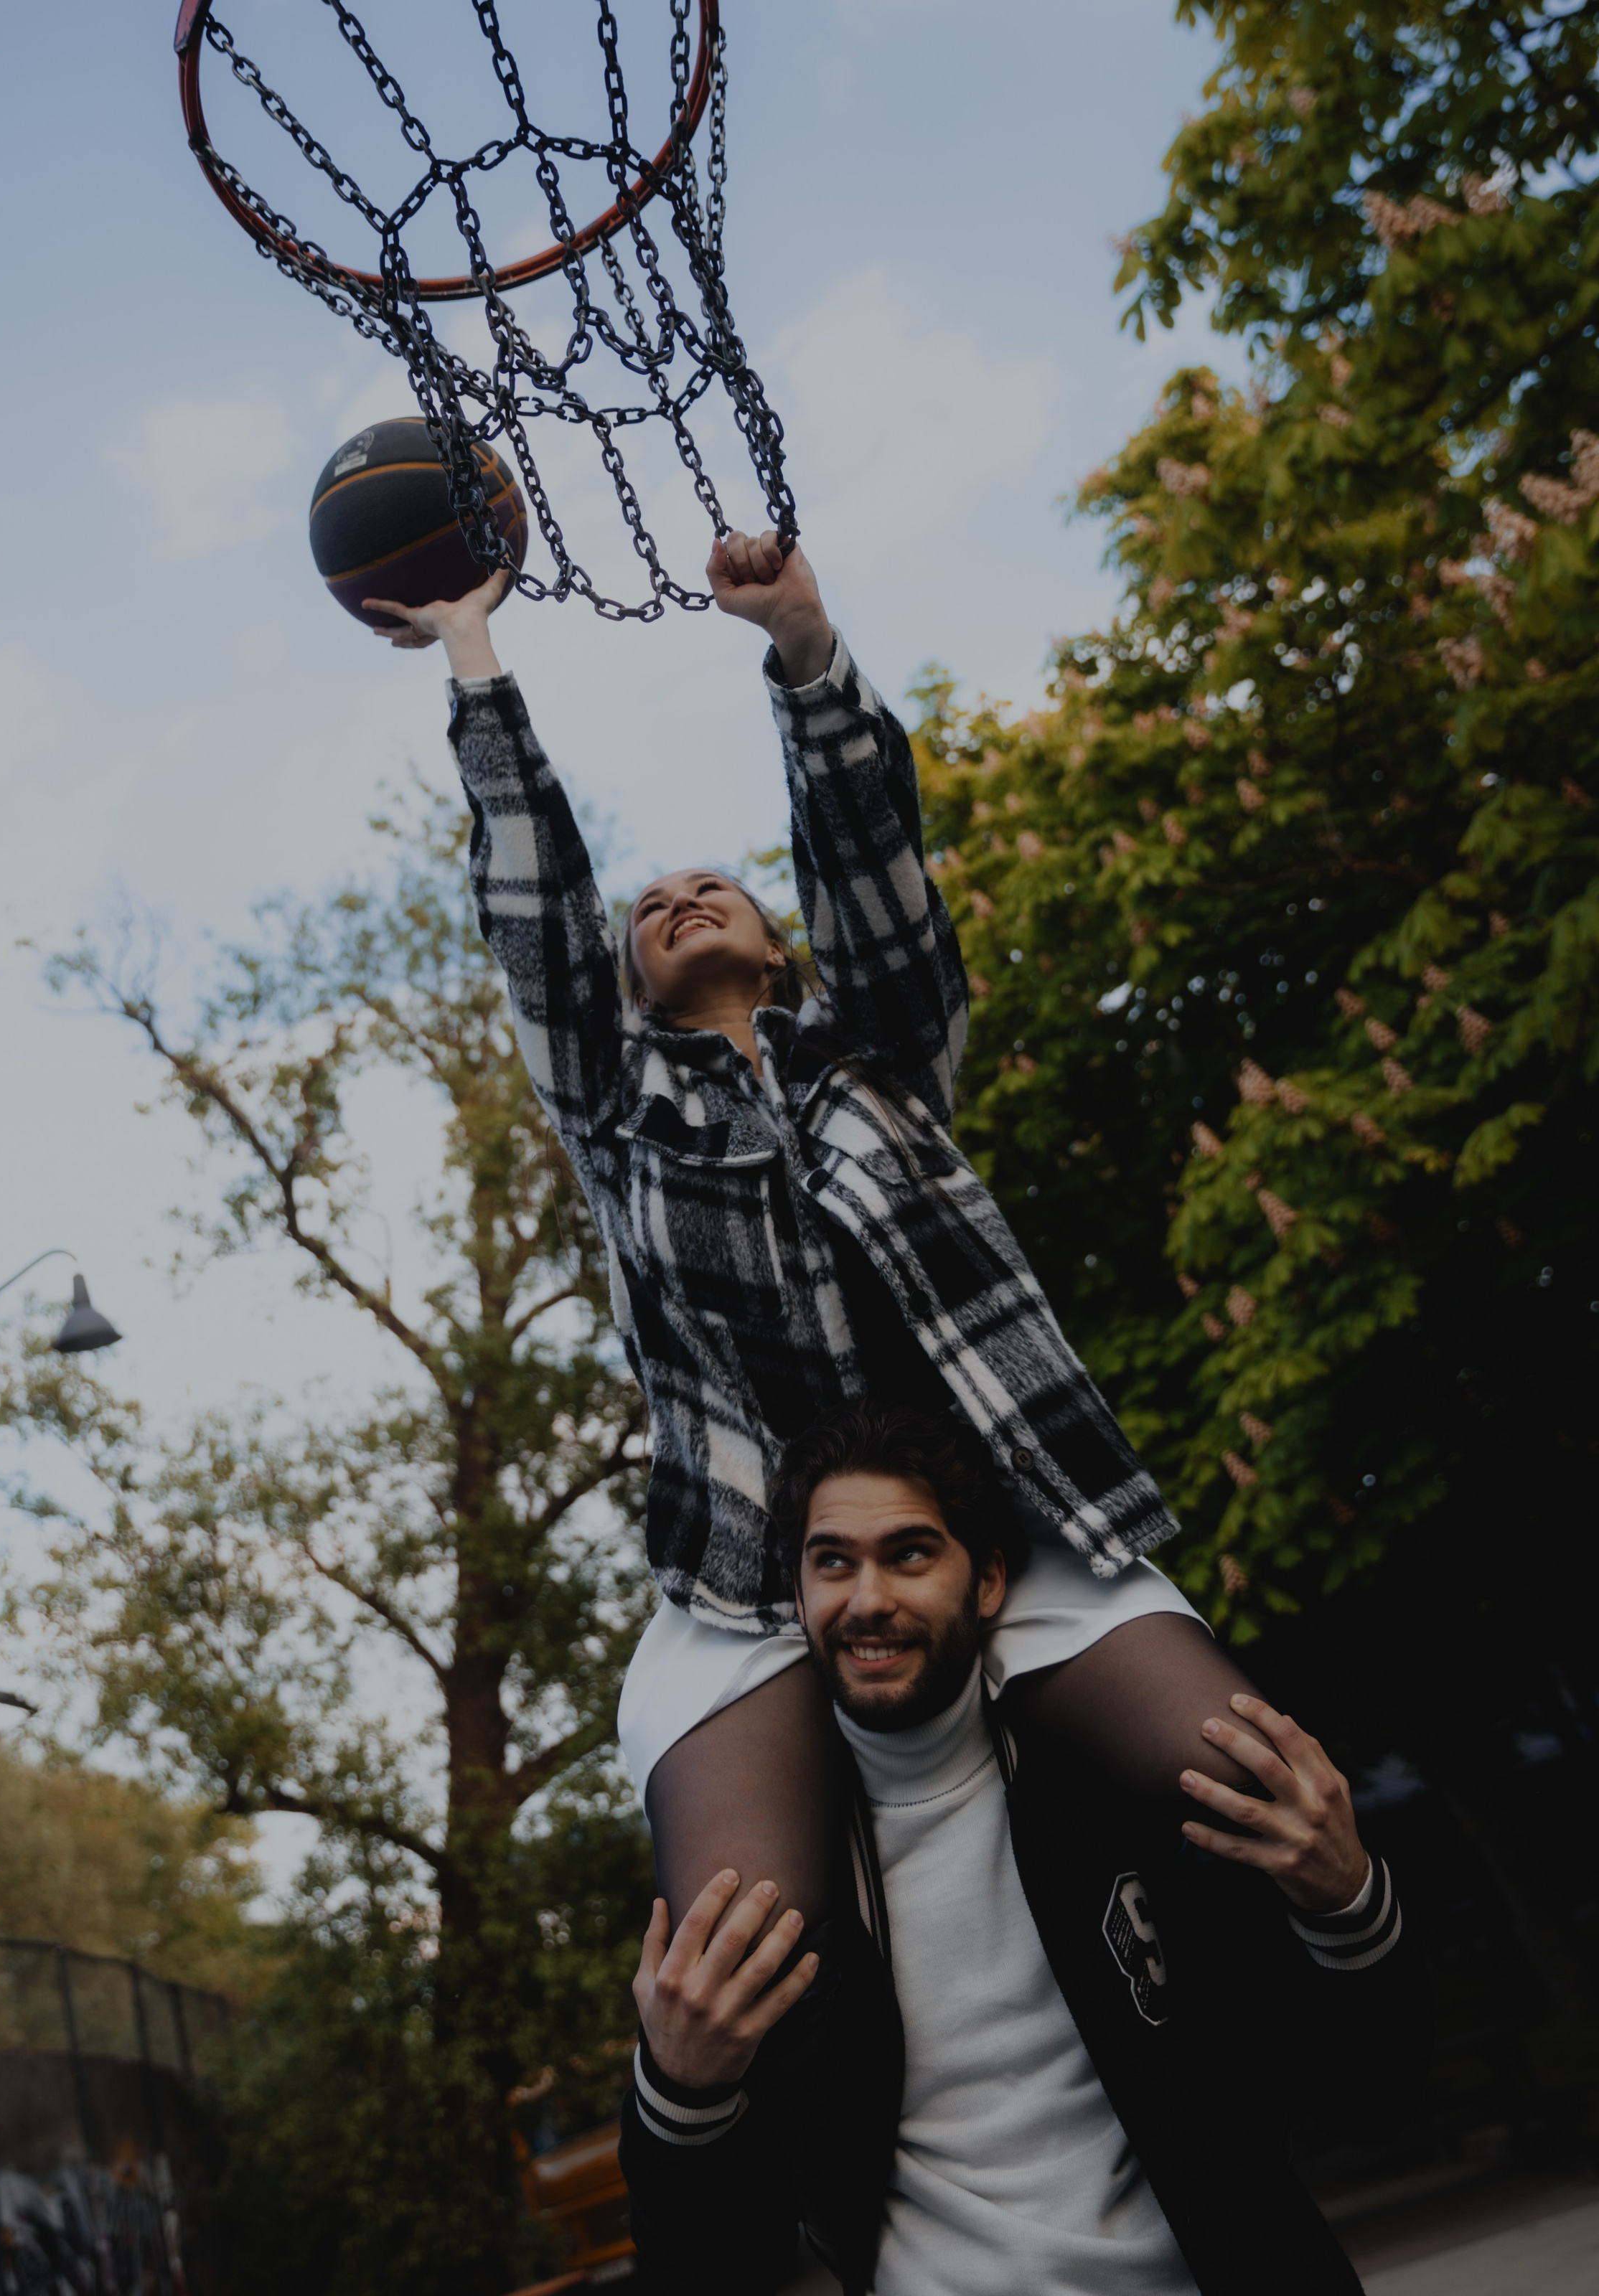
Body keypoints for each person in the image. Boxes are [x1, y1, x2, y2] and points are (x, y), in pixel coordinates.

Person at [368, 531, 1297, 2274]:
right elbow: (528, 904)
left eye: (709, 886)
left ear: (780, 951)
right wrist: (472, 654)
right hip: (750, 1581)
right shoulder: (616, 1109)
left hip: (1012, 1533)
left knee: (1247, 1782)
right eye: (646, 912)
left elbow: (874, 862)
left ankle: (1200, 2169)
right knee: (756, 1943)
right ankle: (855, 2236)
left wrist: (796, 636)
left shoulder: (883, 1048)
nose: (669, 900)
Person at [621, 1402, 1427, 2295]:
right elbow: (705, 2271)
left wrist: (1344, 1897)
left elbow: (1374, 2095)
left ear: (991, 1580)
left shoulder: (1144, 1804)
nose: (867, 1598)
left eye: (910, 1553)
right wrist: (681, 2090)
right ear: (798, 1596)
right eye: (832, 1562)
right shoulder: (769, 1900)